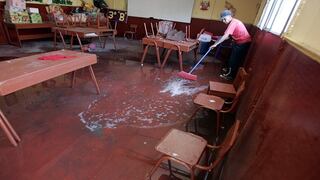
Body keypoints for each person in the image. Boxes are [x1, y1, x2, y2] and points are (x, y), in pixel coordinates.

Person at [210, 10, 251, 80]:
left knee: (233, 60)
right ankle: (229, 70)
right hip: (239, 42)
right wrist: (217, 41)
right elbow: (228, 36)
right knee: (231, 57)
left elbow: (226, 36)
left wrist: (216, 44)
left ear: (229, 17)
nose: (223, 21)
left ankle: (230, 76)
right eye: (222, 19)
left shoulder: (233, 23)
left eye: (224, 19)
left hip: (242, 43)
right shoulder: (233, 22)